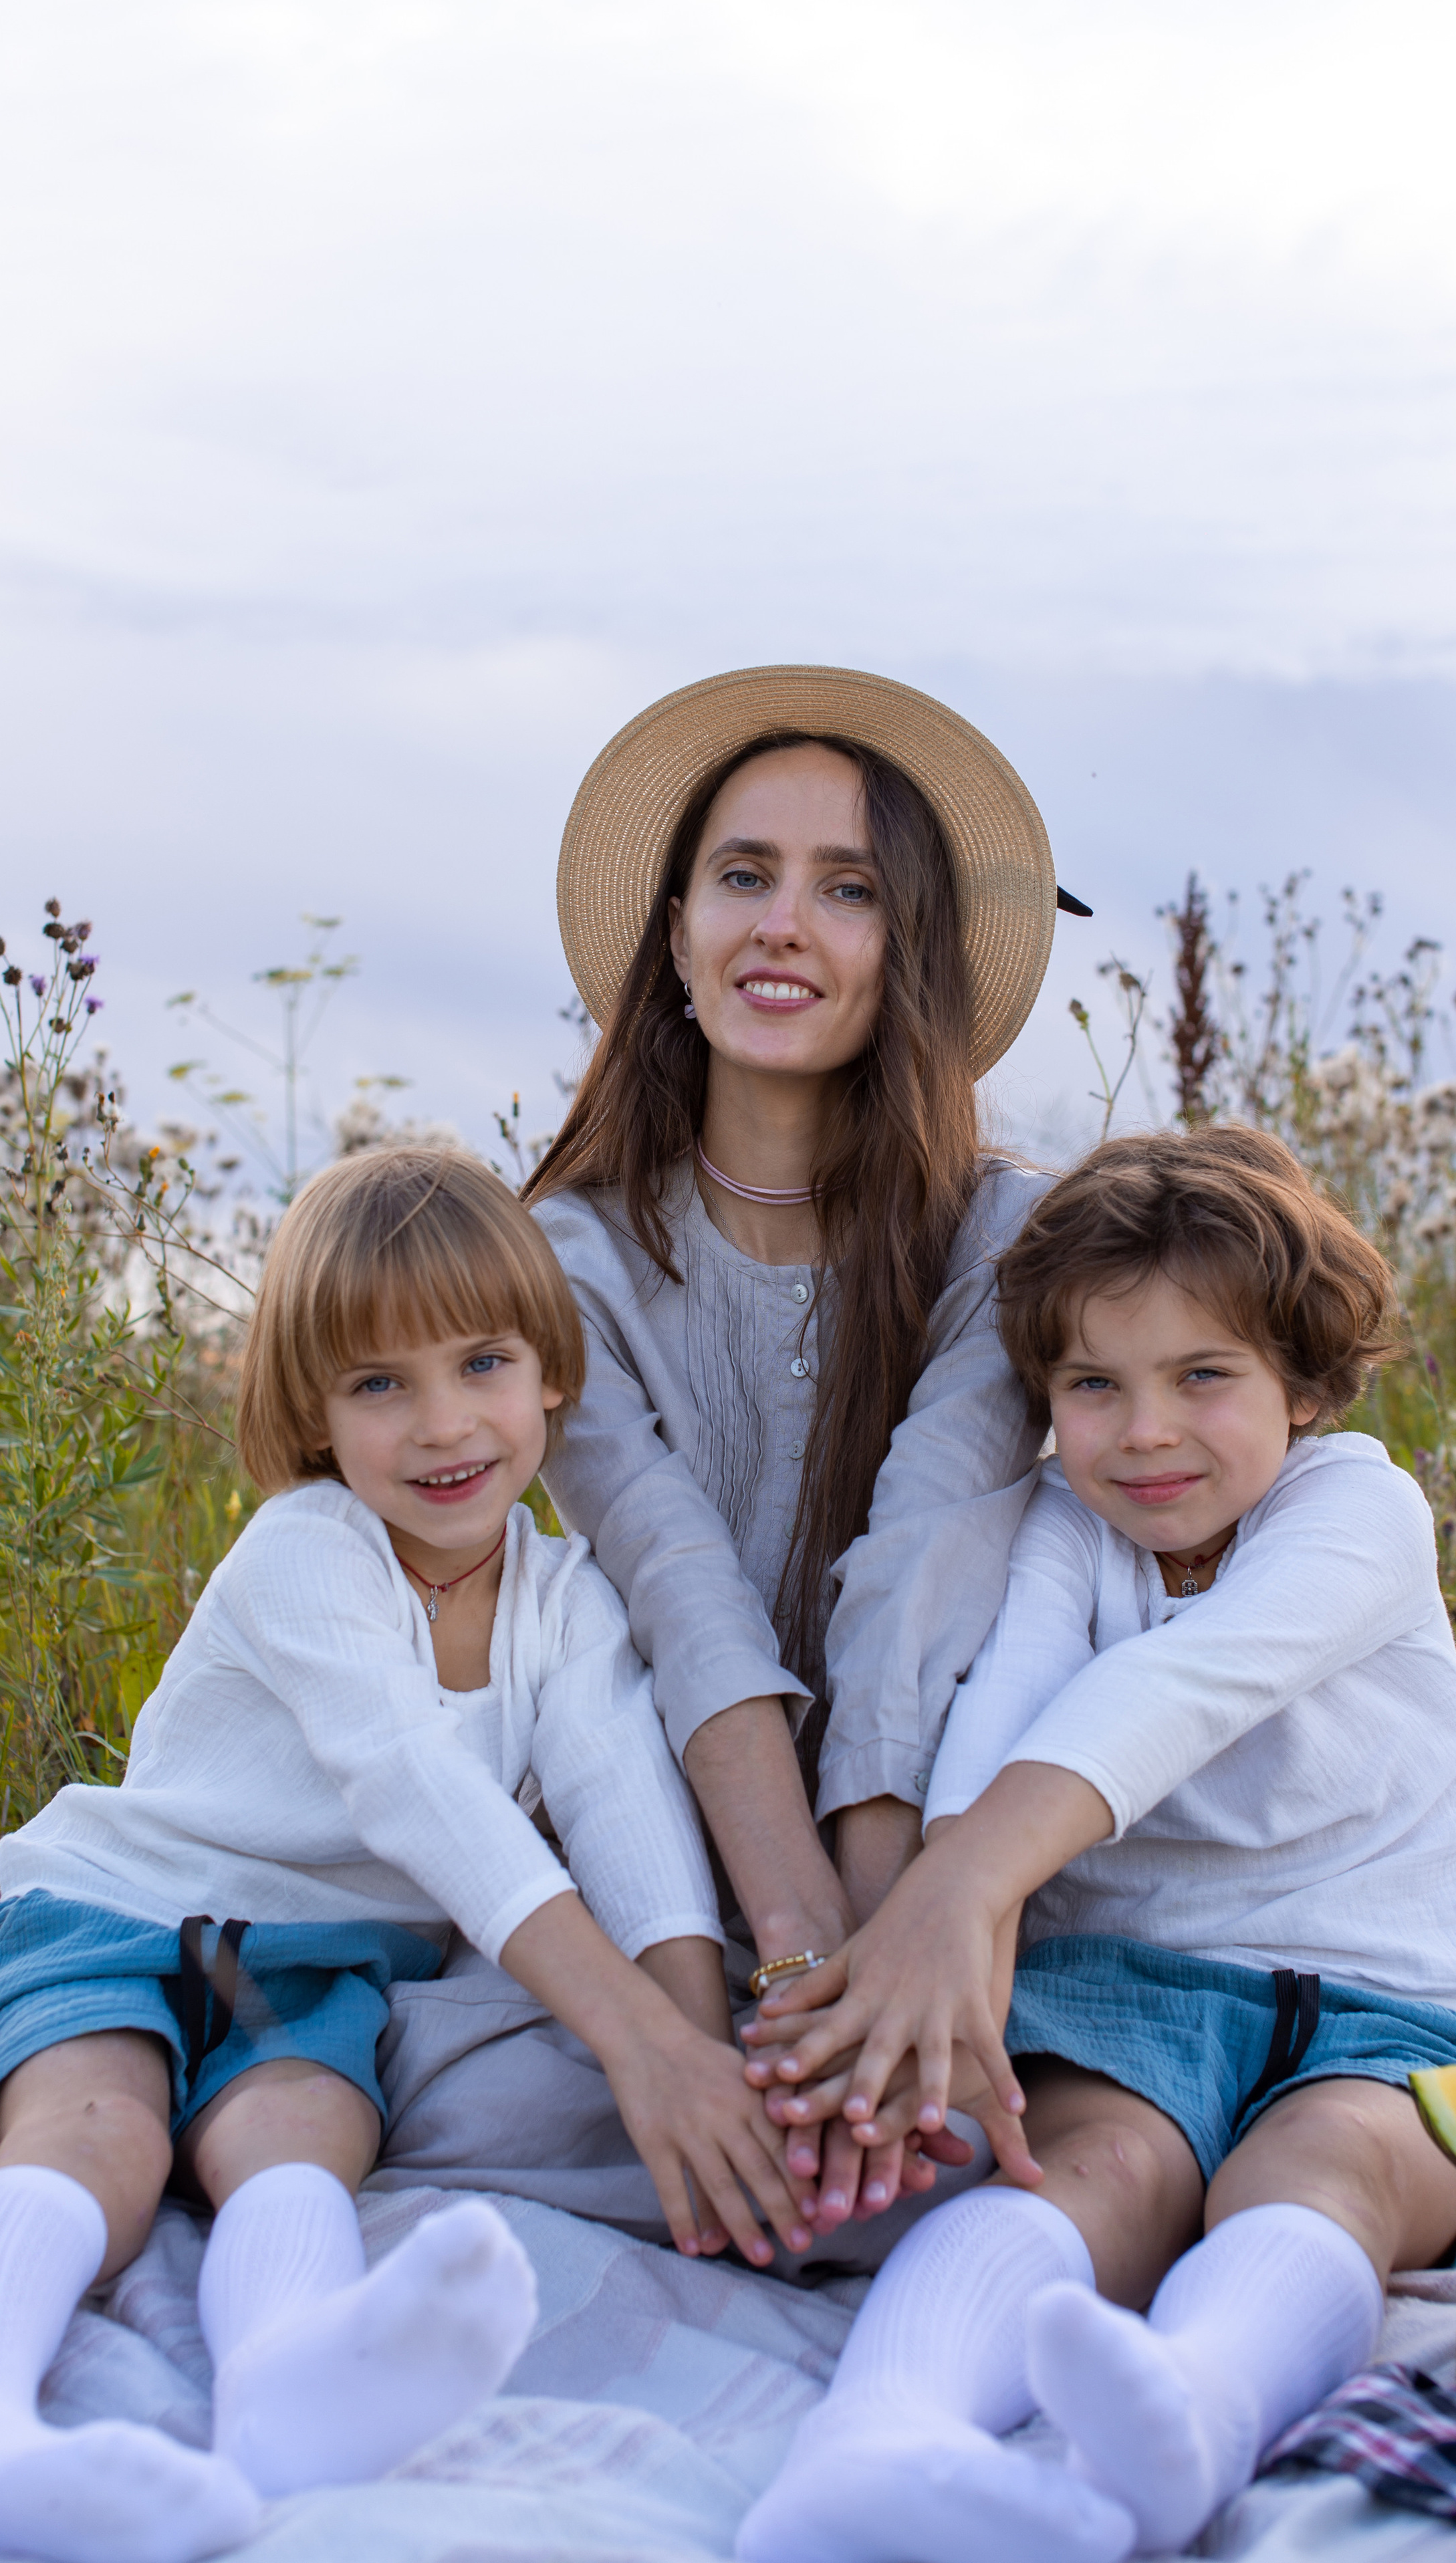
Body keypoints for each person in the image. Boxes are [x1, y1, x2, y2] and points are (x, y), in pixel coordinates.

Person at [0, 1147, 802, 2563]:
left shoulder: (563, 1595)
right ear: (313, 1412)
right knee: (98, 2137)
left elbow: (626, 1815)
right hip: (116, 1916)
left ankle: (283, 2401)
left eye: (480, 1363)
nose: (442, 1425)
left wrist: (694, 2060)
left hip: (314, 1968)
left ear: (552, 1372)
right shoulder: (307, 1550)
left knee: (302, 2145)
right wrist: (629, 2045)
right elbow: (414, 1788)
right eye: (378, 1385)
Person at [736, 1124, 1456, 2563]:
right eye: (1092, 1385)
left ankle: (1192, 2414)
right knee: (1090, 2174)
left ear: (1297, 1380)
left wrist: (959, 1889)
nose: (1142, 1431)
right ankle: (869, 2442)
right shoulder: (1063, 1522)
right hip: (1133, 1999)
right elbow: (1011, 1703)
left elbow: (1176, 1689)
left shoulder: (1354, 1508)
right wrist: (948, 1912)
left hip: (1385, 2011)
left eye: (1200, 1376)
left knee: (1319, 2176)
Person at [375, 665, 1079, 2243]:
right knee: (485, 2119)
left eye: (848, 890)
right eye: (743, 877)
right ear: (675, 933)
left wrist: (880, 1951)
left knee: (972, 2143)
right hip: (662, 1827)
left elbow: (922, 1568)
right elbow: (674, 1583)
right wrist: (791, 1951)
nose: (784, 926)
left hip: (935, 1835)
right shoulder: (563, 1257)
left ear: (907, 948)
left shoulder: (1003, 1231)